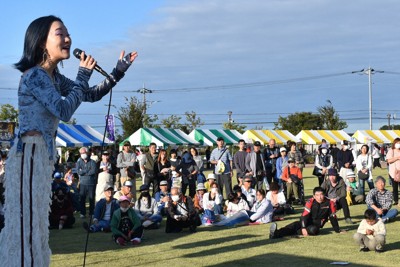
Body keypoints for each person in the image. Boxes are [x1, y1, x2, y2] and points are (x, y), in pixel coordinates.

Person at [270, 187, 346, 239]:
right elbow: (304, 216)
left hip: (315, 225)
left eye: (321, 195)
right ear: (314, 196)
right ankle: (275, 234)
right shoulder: (310, 201)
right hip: (305, 222)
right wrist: (303, 227)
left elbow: (333, 217)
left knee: (314, 230)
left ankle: (295, 232)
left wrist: (337, 230)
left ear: (324, 195)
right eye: (317, 195)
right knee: (293, 226)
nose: (320, 197)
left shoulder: (330, 203)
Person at [76, 147, 97, 218]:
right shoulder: (79, 162)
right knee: (82, 199)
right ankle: (82, 213)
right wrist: (87, 171)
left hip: (91, 183)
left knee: (91, 199)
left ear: (87, 153)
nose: (82, 154)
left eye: (84, 153)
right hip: (82, 183)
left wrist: (83, 171)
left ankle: (91, 213)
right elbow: (78, 171)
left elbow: (93, 171)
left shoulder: (93, 162)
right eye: (81, 153)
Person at [385, 137, 400, 206]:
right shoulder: (391, 151)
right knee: (395, 187)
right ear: (394, 144)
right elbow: (388, 160)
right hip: (393, 172)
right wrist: (397, 158)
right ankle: (396, 200)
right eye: (397, 143)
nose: (398, 144)